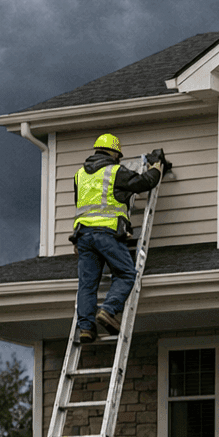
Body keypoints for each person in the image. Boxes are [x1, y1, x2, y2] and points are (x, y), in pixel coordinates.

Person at [72, 133, 165, 345]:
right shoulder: (115, 172)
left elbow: (82, 206)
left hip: (83, 236)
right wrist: (156, 170)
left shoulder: (79, 175)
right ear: (114, 153)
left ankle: (86, 328)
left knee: (87, 285)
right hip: (107, 234)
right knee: (125, 273)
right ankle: (108, 310)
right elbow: (143, 183)